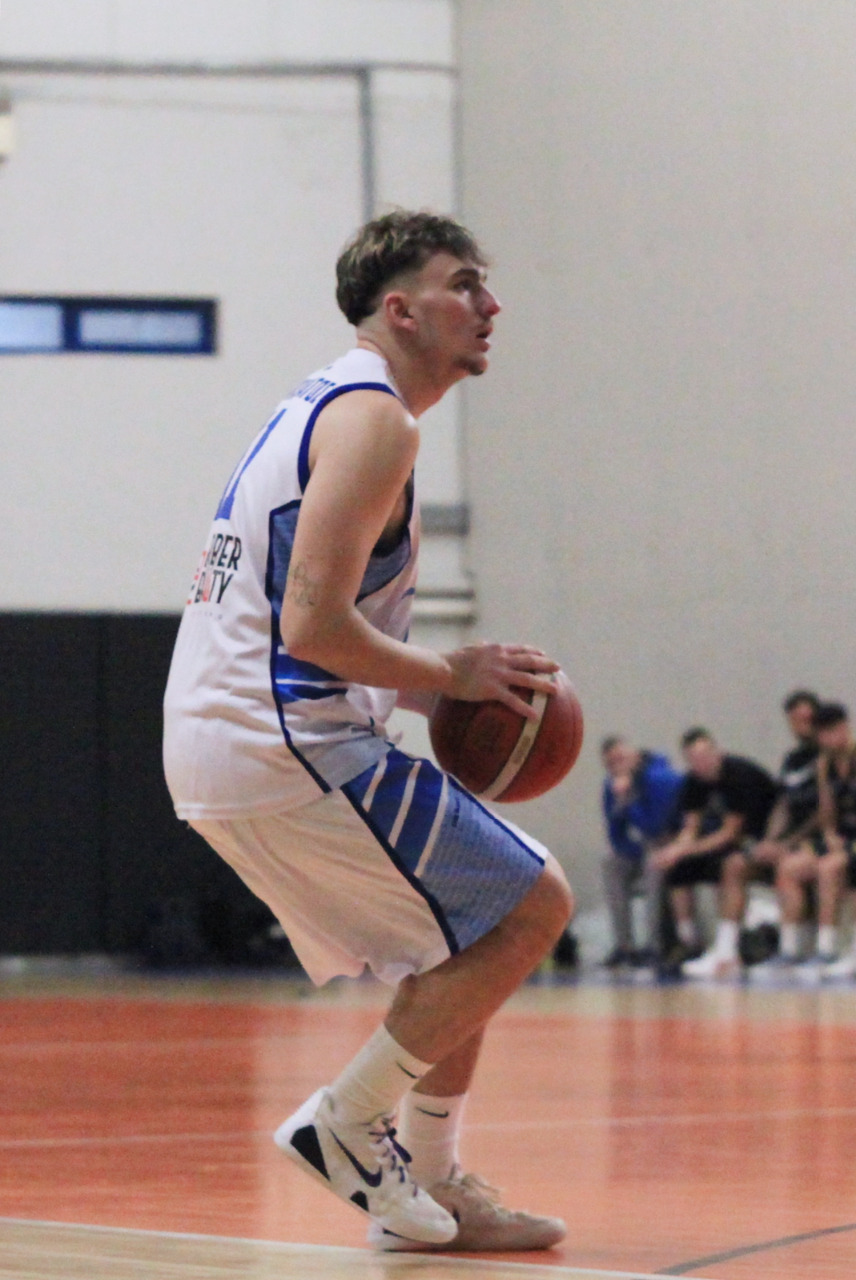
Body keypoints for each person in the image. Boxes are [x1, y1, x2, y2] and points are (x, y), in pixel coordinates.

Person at [162, 210, 573, 1252]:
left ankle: (433, 1184)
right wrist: (451, 674)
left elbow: (301, 616)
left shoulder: (330, 404)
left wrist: (436, 701)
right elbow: (311, 626)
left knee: (466, 932)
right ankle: (346, 1120)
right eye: (463, 283)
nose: (490, 304)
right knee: (534, 902)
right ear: (401, 309)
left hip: (239, 735)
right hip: (281, 737)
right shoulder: (374, 419)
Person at [652, 728, 777, 979]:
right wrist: (676, 850)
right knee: (678, 868)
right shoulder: (694, 782)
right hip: (729, 843)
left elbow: (730, 833)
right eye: (694, 758)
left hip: (762, 839)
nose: (702, 762)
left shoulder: (738, 775)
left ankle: (727, 950)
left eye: (706, 754)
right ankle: (688, 941)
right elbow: (691, 827)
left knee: (730, 866)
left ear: (717, 751)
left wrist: (684, 849)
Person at [775, 702, 856, 976]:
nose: (828, 739)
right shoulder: (825, 764)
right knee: (789, 867)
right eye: (823, 734)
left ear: (844, 728)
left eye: (832, 732)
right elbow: (827, 811)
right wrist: (830, 834)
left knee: (829, 868)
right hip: (843, 837)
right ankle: (789, 950)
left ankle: (827, 949)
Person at [599, 736, 683, 968]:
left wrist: (628, 799)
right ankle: (624, 945)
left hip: (672, 842)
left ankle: (655, 945)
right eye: (611, 764)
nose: (617, 767)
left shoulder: (660, 777)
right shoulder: (612, 784)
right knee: (610, 862)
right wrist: (630, 850)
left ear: (633, 754)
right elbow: (615, 832)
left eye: (620, 759)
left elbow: (655, 826)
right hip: (641, 847)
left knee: (653, 862)